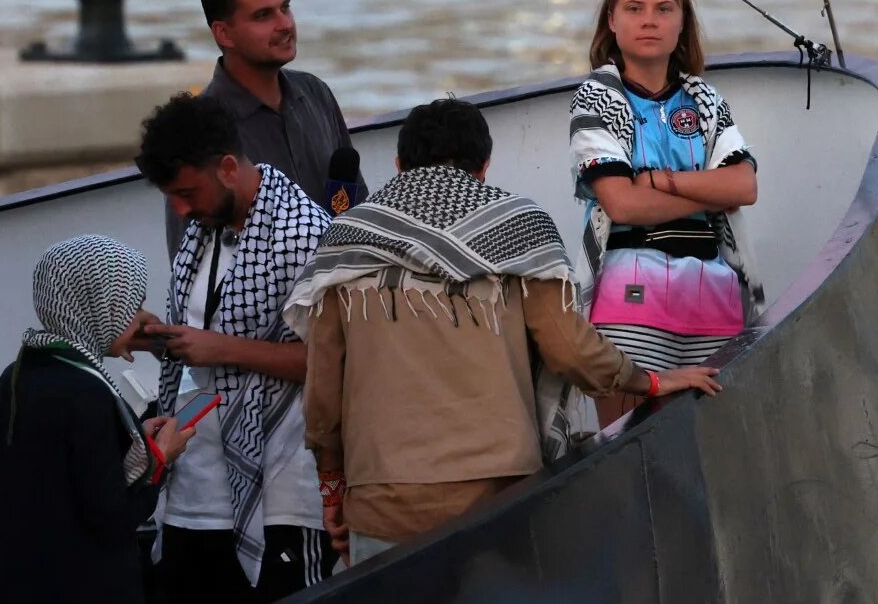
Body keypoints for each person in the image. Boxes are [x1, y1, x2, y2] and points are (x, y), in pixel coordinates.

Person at [290, 98, 721, 565]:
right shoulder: (518, 227)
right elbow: (570, 351)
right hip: (500, 498)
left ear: (398, 165)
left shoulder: (345, 240)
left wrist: (333, 494)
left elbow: (323, 396)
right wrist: (651, 381)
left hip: (383, 502)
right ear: (484, 167)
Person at [135, 93, 334, 604]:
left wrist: (218, 348)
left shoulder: (304, 234)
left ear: (226, 167)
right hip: (192, 496)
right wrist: (158, 342)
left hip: (279, 498)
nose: (179, 209)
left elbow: (332, 363)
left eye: (185, 192)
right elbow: (208, 352)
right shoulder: (204, 234)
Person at [0, 236, 195, 604]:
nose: (138, 319)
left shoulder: (17, 375)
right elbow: (110, 520)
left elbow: (55, 478)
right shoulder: (85, 391)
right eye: (129, 304)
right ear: (95, 304)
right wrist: (158, 460)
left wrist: (130, 440)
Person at [570, 0, 763, 428]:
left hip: (715, 302)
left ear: (683, 23)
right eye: (634, 8)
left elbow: (744, 187)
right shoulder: (595, 98)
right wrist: (710, 191)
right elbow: (621, 205)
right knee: (629, 452)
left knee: (715, 451)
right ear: (611, 23)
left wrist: (656, 181)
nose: (649, 20)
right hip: (628, 305)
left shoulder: (706, 101)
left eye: (663, 8)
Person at [164, 0, 364, 252]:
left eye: (285, 8)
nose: (285, 24)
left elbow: (356, 208)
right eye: (263, 16)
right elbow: (191, 263)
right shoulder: (195, 133)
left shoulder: (316, 93)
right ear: (223, 34)